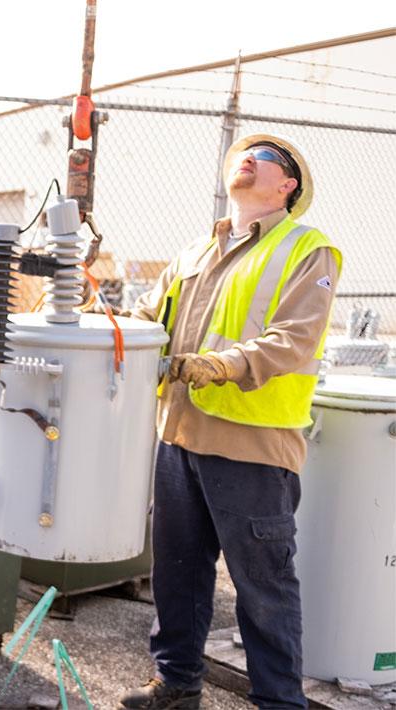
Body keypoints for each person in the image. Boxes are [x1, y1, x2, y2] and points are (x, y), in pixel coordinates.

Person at [116, 134, 342, 710]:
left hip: (253, 446)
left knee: (261, 589)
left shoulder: (307, 249)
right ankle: (177, 683)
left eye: (267, 156)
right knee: (177, 572)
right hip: (179, 435)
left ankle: (278, 704)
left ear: (287, 185)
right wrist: (87, 317)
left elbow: (293, 341)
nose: (249, 156)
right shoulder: (196, 251)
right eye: (245, 151)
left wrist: (216, 365)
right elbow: (146, 320)